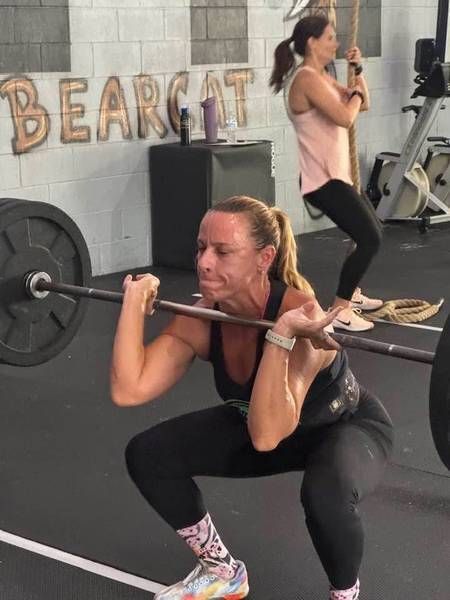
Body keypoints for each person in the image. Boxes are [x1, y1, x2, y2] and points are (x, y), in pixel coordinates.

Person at [111, 196, 393, 600]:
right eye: (201, 248)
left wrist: (279, 336)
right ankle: (222, 571)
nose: (205, 262)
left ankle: (346, 595)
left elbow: (266, 436)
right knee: (148, 453)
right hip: (270, 425)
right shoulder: (205, 317)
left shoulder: (304, 315)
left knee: (324, 495)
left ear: (264, 258)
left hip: (342, 426)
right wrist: (132, 307)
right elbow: (129, 388)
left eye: (223, 251)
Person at [270, 15, 384, 332]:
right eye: (331, 37)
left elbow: (362, 104)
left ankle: (353, 293)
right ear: (312, 42)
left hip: (338, 176)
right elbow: (345, 117)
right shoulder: (306, 79)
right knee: (370, 238)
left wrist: (358, 72)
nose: (336, 43)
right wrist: (355, 95)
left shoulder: (321, 76)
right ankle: (341, 309)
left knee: (373, 228)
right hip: (322, 181)